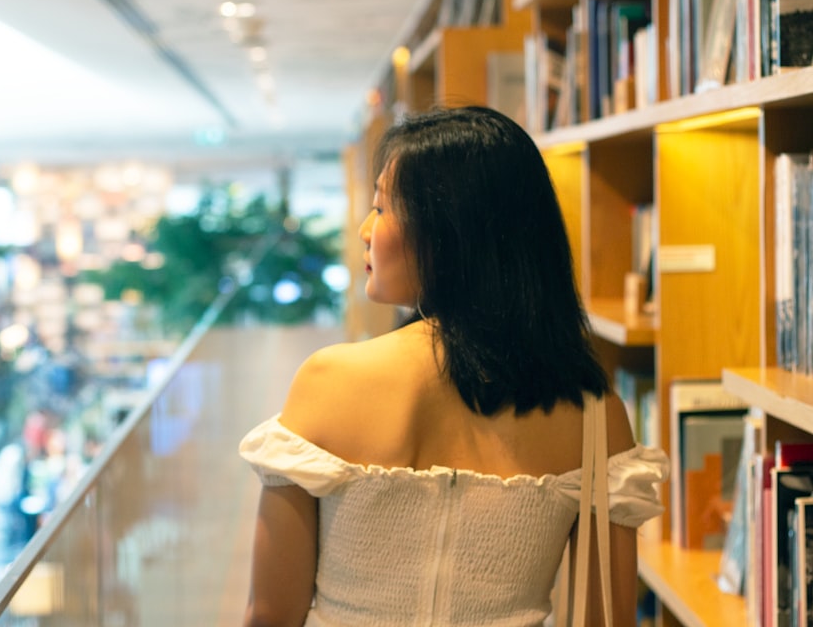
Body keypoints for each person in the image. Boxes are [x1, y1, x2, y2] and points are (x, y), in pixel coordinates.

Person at [238, 106, 668, 627]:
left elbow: (269, 614)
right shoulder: (595, 415)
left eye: (382, 208)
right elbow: (606, 620)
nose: (364, 229)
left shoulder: (328, 380)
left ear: (446, 231)